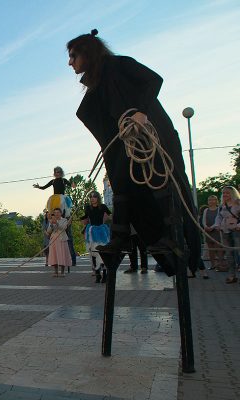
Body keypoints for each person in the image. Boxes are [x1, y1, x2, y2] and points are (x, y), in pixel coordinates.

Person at [68, 29, 203, 276]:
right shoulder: (96, 84)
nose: (70, 62)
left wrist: (140, 111)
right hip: (124, 142)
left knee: (157, 179)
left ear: (86, 53)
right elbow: (92, 114)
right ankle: (120, 238)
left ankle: (173, 237)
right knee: (121, 183)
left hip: (153, 137)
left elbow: (154, 80)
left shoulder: (121, 64)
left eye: (73, 56)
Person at [80, 191, 111, 283]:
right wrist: (78, 218)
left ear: (98, 198)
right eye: (91, 197)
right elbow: (85, 217)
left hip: (101, 231)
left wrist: (108, 219)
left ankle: (105, 274)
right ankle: (97, 274)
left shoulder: (103, 207)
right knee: (93, 253)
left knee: (102, 253)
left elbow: (109, 215)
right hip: (92, 231)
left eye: (94, 197)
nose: (92, 198)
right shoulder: (88, 208)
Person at [215, 186, 240, 284]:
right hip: (225, 230)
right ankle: (232, 276)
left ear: (232, 194)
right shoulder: (222, 205)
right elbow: (218, 216)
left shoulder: (238, 204)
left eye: (227, 193)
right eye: (224, 193)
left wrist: (238, 225)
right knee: (229, 254)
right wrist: (217, 225)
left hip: (237, 231)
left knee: (238, 253)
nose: (225, 195)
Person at [46, 208, 72, 277]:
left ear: (61, 213)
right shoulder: (52, 220)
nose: (56, 214)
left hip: (61, 239)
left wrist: (57, 223)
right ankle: (55, 271)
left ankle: (62, 271)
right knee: (54, 255)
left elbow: (63, 228)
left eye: (58, 212)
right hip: (53, 239)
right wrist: (51, 224)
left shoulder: (64, 220)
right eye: (55, 213)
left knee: (61, 255)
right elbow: (49, 231)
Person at [203, 195, 225, 271]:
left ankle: (220, 264)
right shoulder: (206, 210)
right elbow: (203, 220)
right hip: (208, 232)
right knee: (210, 249)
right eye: (210, 200)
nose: (211, 201)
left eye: (213, 200)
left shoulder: (219, 209)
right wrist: (205, 226)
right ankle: (213, 264)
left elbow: (220, 219)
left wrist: (212, 227)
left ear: (216, 201)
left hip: (217, 231)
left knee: (218, 248)